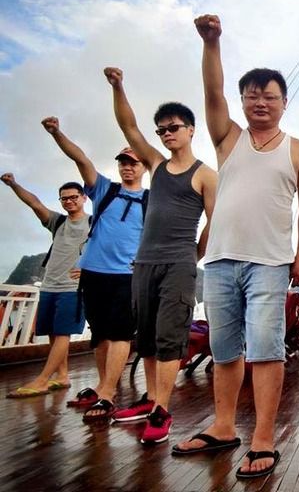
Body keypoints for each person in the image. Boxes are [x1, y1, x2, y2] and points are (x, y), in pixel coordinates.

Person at [172, 13, 299, 480]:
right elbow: (211, 95)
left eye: (269, 96)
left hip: (271, 263)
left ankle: (264, 437)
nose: (260, 102)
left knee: (266, 348)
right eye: (252, 96)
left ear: (284, 102)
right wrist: (212, 43)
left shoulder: (297, 148)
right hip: (218, 262)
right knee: (225, 349)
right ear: (243, 101)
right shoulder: (228, 138)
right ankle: (223, 425)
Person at [101, 67, 217, 445]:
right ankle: (151, 399)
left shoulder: (205, 175)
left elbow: (214, 222)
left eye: (174, 127)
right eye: (162, 130)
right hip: (144, 263)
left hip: (179, 264)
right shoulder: (156, 164)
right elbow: (128, 127)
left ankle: (162, 411)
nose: (168, 134)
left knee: (169, 338)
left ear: (191, 129)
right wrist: (119, 86)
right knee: (147, 338)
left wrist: (193, 255)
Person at [42, 116, 147, 421]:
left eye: (133, 162)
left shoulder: (151, 200)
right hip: (94, 274)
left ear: (143, 167)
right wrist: (57, 133)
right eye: (123, 162)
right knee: (100, 335)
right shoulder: (105, 190)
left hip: (127, 276)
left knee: (121, 335)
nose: (127, 166)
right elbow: (80, 158)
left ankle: (107, 394)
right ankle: (103, 385)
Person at [2, 174, 90, 398]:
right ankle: (62, 376)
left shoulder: (93, 224)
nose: (69, 201)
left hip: (74, 288)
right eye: (64, 199)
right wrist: (13, 184)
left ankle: (42, 380)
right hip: (50, 285)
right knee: (52, 331)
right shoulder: (57, 222)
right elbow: (34, 203)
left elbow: (111, 250)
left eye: (73, 197)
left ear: (84, 198)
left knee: (63, 333)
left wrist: (89, 271)